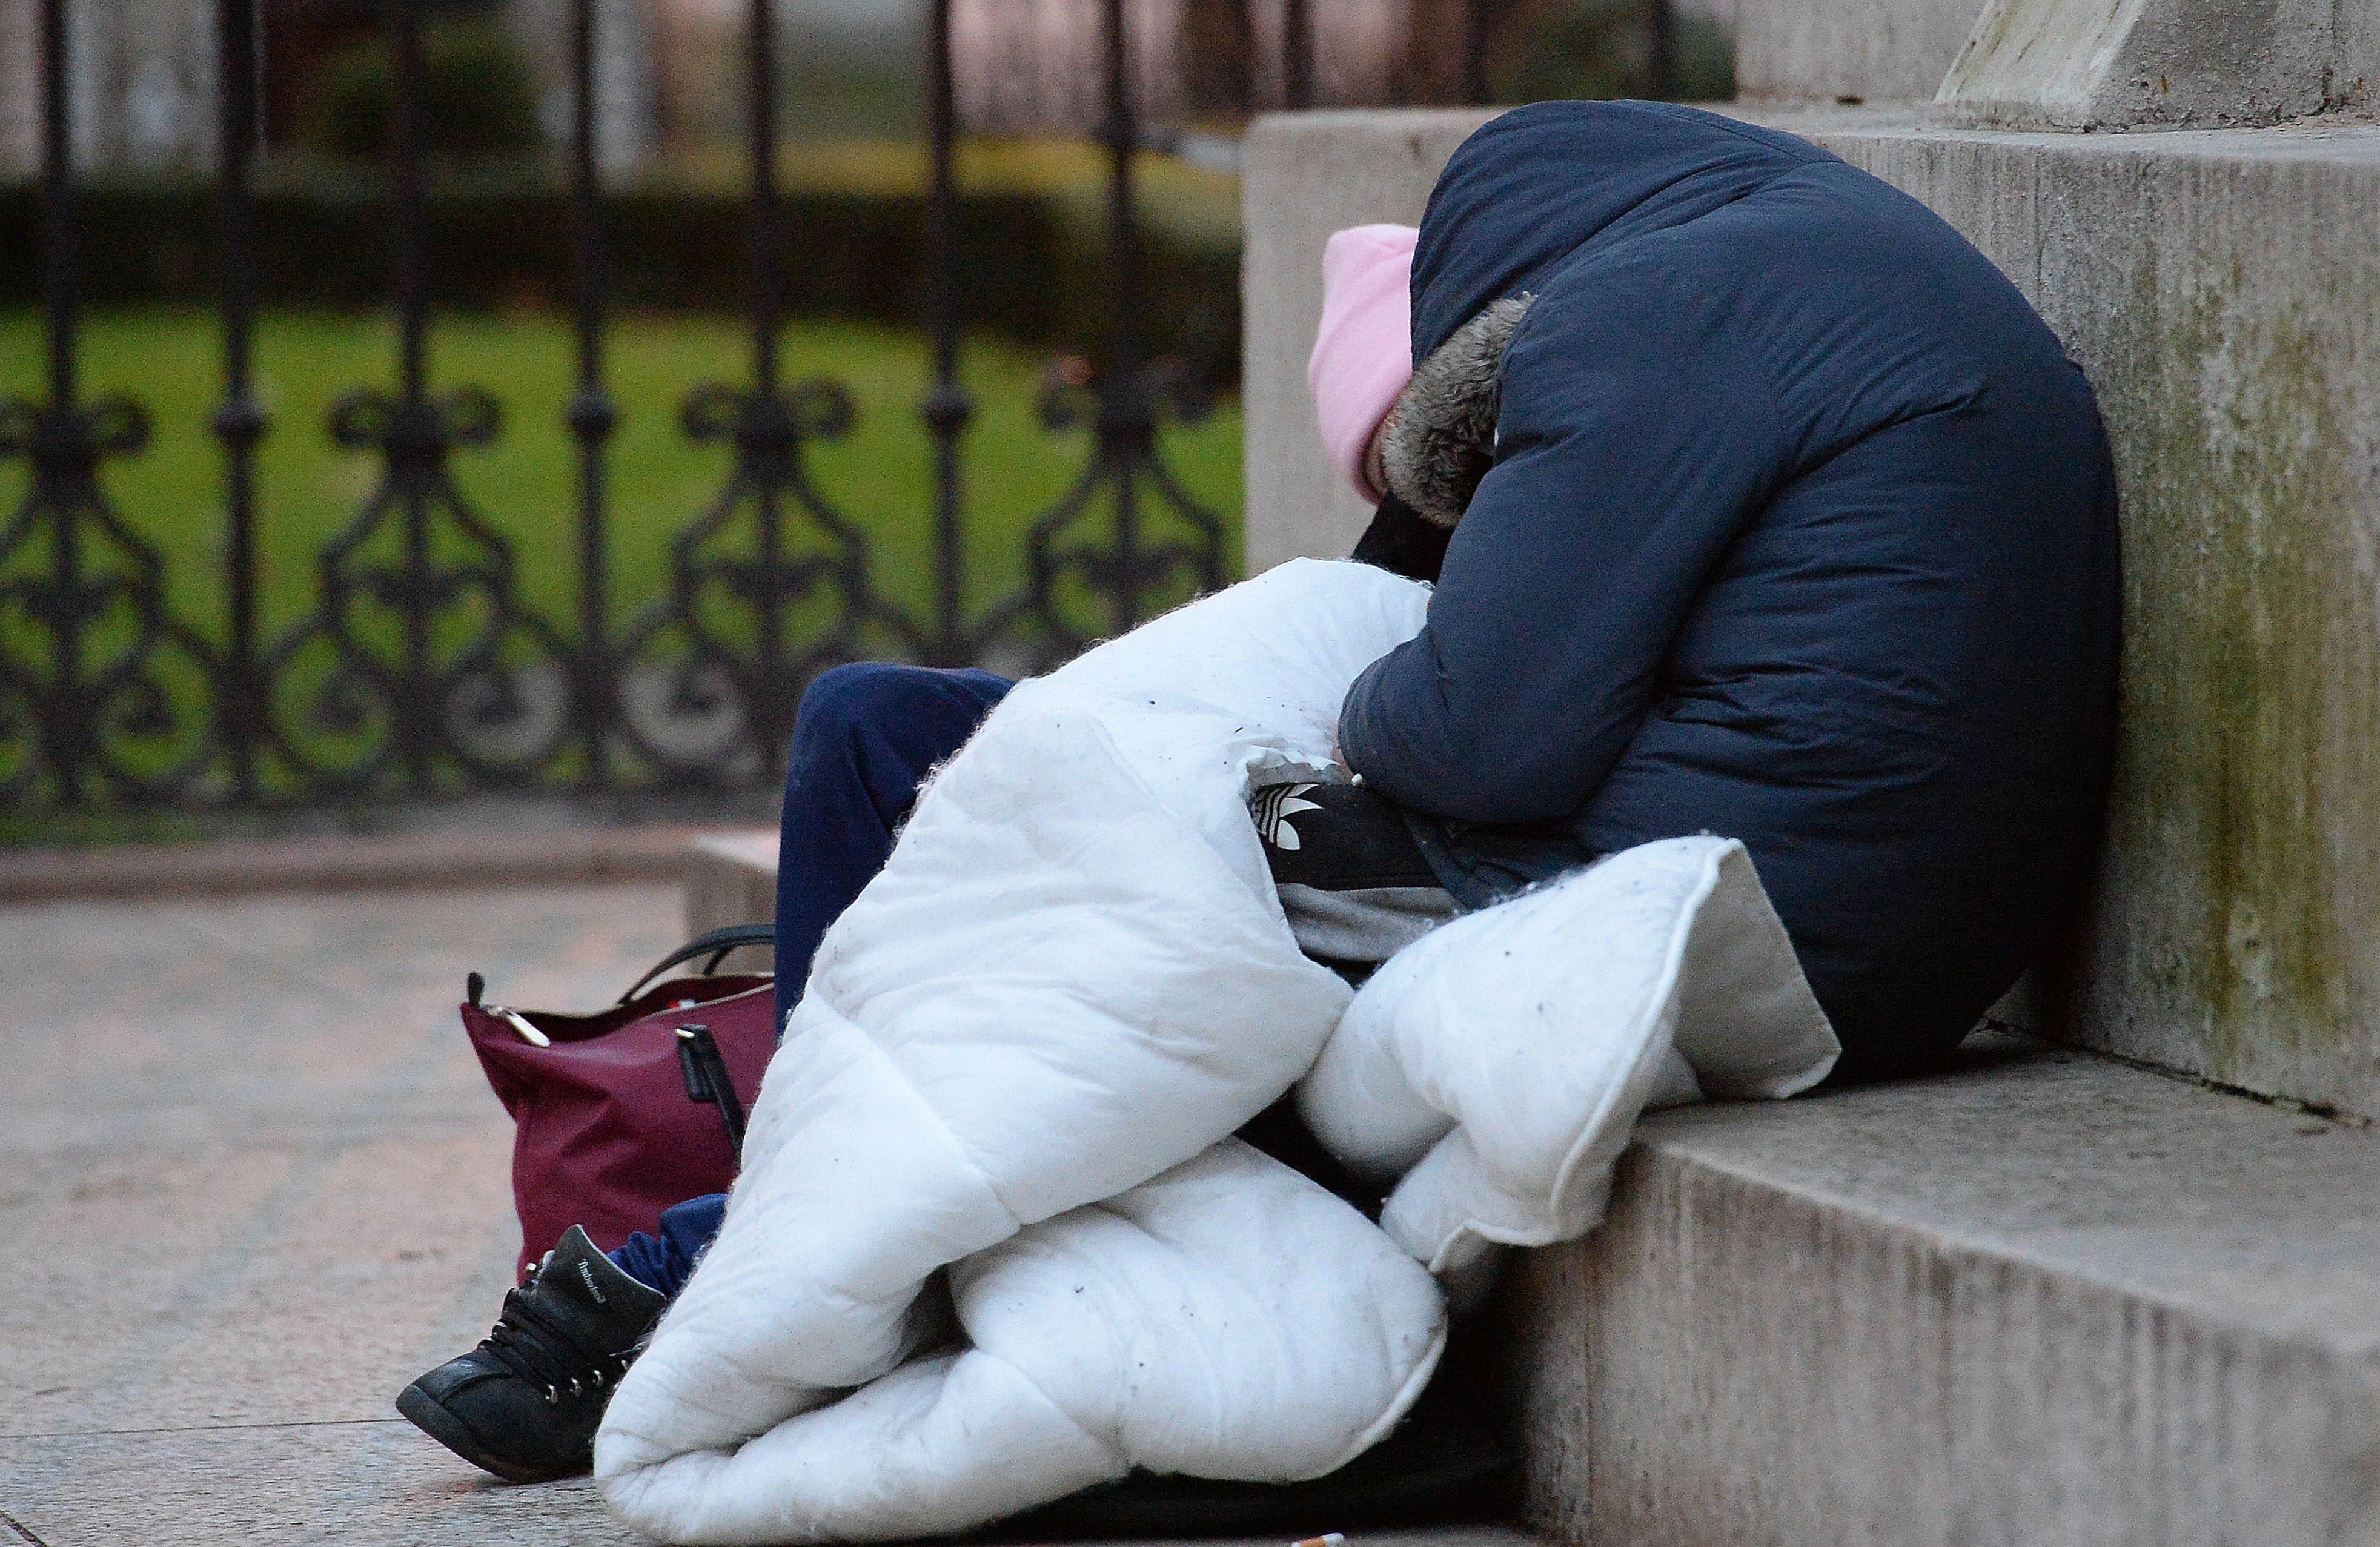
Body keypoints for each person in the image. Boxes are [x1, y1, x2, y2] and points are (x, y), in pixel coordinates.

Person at [399, 98, 2120, 1485]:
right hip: (1824, 903)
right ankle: (814, 1182)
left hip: (1719, 907)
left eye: (1453, 474)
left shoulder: (1647, 321)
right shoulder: (1778, 276)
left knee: (1123, 901)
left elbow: (1471, 737)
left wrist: (1328, 694)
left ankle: (716, 1260)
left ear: (1476, 353)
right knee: (881, 726)